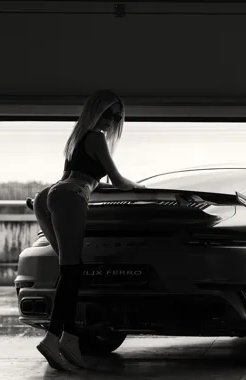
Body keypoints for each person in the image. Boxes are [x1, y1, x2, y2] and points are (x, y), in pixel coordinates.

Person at [33, 89, 144, 371]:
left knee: (70, 270)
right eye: (107, 113)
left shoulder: (78, 137)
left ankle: (68, 338)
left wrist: (101, 185)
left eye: (116, 116)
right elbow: (119, 180)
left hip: (54, 194)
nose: (111, 120)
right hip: (71, 196)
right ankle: (53, 337)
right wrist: (139, 187)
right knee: (72, 271)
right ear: (96, 111)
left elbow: (86, 179)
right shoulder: (96, 137)